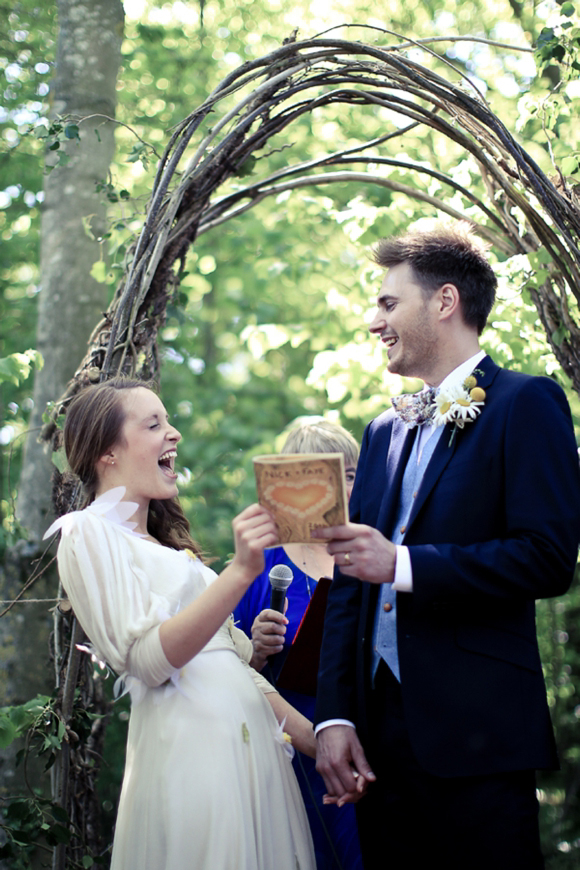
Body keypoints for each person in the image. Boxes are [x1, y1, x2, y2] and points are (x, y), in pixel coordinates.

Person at [312, 223, 580, 870]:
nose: (373, 321)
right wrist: (334, 718)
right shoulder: (382, 430)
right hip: (377, 745)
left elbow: (545, 557)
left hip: (477, 737)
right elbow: (352, 581)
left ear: (444, 301)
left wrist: (401, 565)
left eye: (386, 303)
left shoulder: (525, 403)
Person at [44, 378, 316, 870]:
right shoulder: (87, 533)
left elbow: (236, 668)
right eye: (154, 424)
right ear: (107, 452)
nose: (174, 434)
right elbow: (148, 662)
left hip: (250, 754)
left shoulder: (167, 548)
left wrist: (317, 740)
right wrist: (239, 573)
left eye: (169, 421)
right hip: (193, 758)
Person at [235, 420, 363, 870]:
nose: (343, 486)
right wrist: (257, 647)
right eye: (327, 474)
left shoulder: (368, 549)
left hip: (368, 735)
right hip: (293, 746)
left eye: (351, 473)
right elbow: (228, 665)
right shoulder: (262, 563)